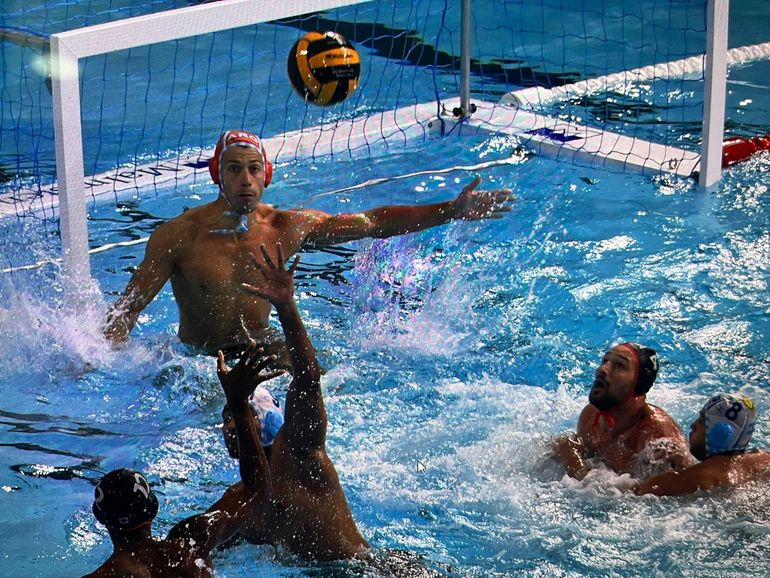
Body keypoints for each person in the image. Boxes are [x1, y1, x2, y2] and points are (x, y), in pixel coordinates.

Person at [104, 130, 514, 356]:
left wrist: (450, 209)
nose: (245, 181)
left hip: (266, 354)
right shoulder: (178, 236)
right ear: (217, 175)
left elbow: (372, 223)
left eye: (252, 170)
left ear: (267, 175)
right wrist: (97, 361)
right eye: (234, 170)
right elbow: (129, 308)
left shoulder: (286, 227)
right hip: (200, 363)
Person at [218, 242, 368, 560]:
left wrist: (286, 308)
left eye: (239, 413)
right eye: (227, 416)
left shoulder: (299, 452)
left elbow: (307, 380)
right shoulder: (242, 500)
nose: (230, 425)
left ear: (265, 418)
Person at [84, 341, 281, 577]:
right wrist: (237, 403)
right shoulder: (190, 545)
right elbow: (257, 492)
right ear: (153, 509)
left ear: (100, 518)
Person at [551, 342, 694, 480]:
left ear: (638, 383)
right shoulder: (591, 416)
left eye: (619, 365)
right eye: (604, 361)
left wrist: (581, 476)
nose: (602, 369)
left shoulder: (657, 437)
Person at [634, 393, 770, 496]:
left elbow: (629, 494)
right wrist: (689, 465)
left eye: (701, 421)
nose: (692, 425)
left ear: (719, 433)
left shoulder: (689, 479)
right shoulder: (764, 459)